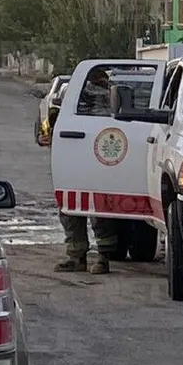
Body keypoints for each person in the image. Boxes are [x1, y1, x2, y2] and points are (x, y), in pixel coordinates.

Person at [39, 68, 120, 274]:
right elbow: (52, 126)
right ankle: (83, 258)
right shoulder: (75, 101)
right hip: (79, 163)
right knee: (74, 210)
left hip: (94, 163)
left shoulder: (110, 100)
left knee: (94, 212)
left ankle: (96, 258)